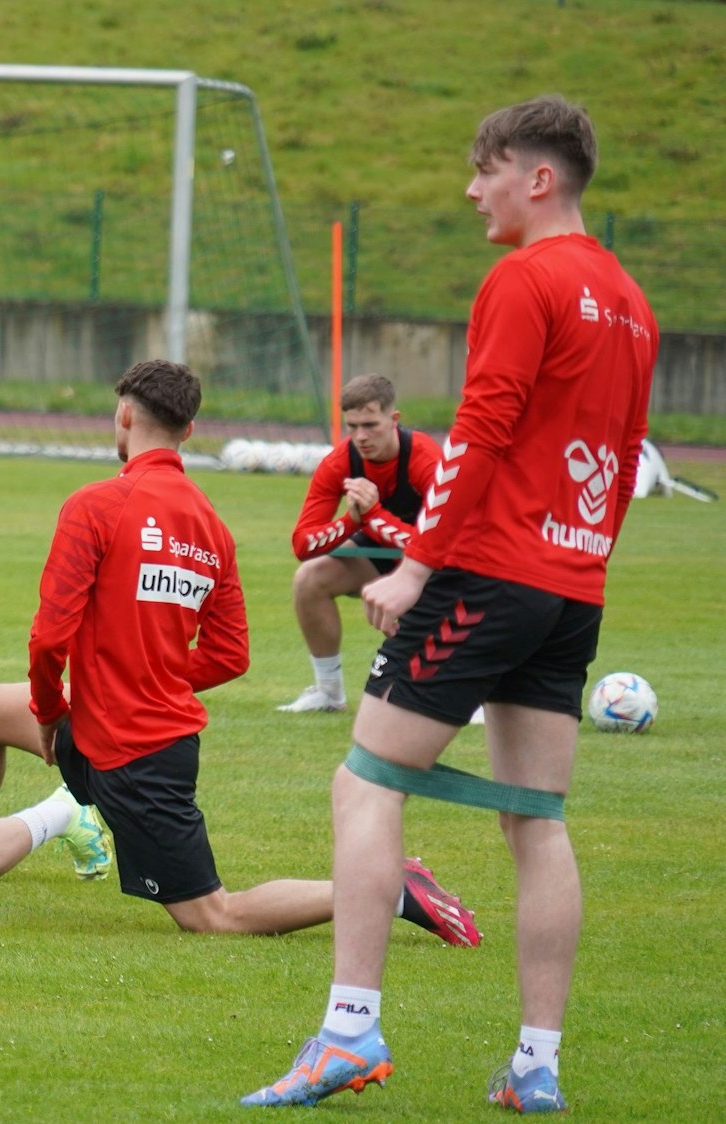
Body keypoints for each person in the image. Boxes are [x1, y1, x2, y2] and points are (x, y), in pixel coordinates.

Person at [244, 96, 656, 1113]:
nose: (473, 190)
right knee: (536, 817)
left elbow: (479, 427)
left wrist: (417, 567)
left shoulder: (525, 276)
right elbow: (620, 457)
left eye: (487, 170)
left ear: (538, 178)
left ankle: (348, 1031)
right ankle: (535, 1065)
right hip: (571, 590)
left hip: (490, 576)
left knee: (364, 782)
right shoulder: (632, 300)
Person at [0, 361, 484, 938]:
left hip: (135, 755)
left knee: (213, 916)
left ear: (125, 415)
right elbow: (232, 654)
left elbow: (49, 638)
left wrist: (52, 709)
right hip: (128, 726)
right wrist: (143, 678)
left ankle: (388, 887)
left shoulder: (94, 505)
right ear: (189, 430)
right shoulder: (211, 524)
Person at [278, 374, 441, 713]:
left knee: (468, 585)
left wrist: (374, 513)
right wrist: (352, 520)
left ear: (394, 420)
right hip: (381, 548)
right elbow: (303, 543)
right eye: (352, 426)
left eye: (370, 425)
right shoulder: (340, 462)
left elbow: (439, 544)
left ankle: (471, 694)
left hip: (433, 559)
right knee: (310, 578)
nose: (360, 437)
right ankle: (329, 693)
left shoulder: (425, 457)